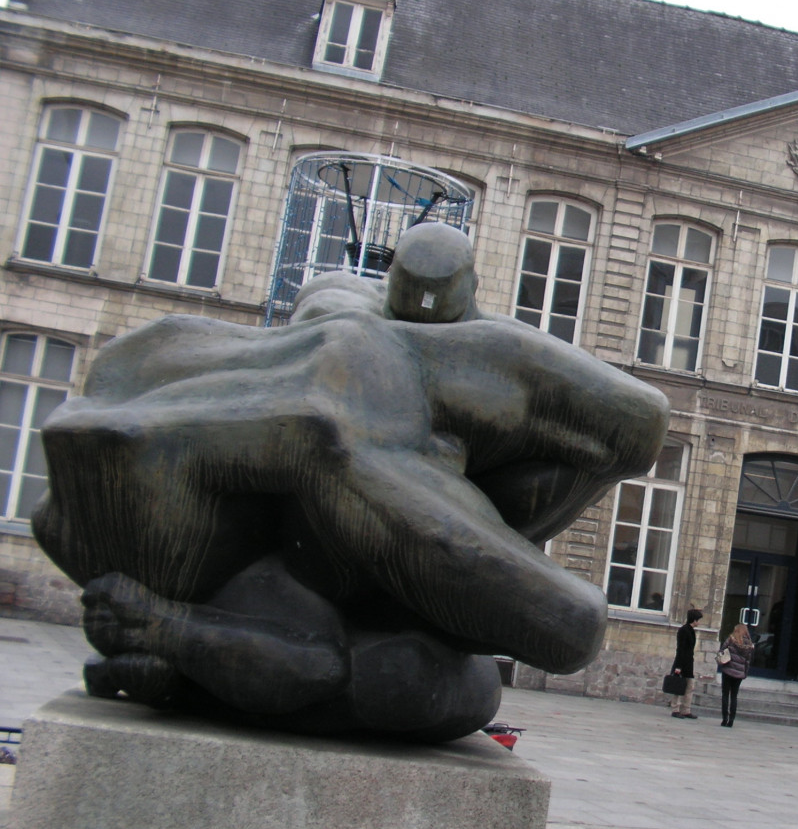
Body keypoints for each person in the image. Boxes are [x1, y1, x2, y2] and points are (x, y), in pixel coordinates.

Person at [32, 222, 670, 741]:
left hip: (342, 429)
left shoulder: (234, 560)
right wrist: (163, 628)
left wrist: (164, 628)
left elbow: (309, 666)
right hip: (327, 420)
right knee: (467, 662)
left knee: (552, 627)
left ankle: (438, 347)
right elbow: (311, 666)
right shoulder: (110, 502)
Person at [717, 622, 754, 727]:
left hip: (728, 670)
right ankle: (731, 720)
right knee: (734, 696)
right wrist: (745, 673)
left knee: (725, 694)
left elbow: (722, 651)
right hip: (739, 673)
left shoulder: (731, 640)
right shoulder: (748, 645)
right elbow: (748, 661)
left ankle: (724, 718)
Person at [669, 608, 703, 718]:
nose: (700, 622)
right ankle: (675, 709)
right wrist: (678, 666)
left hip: (689, 662)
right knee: (679, 686)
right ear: (694, 620)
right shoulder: (684, 630)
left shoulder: (691, 631)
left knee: (689, 686)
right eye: (699, 620)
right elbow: (681, 649)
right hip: (682, 662)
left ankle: (686, 710)